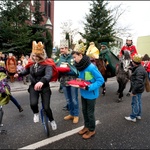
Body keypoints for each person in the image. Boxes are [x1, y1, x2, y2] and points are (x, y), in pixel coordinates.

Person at [14, 41, 57, 130]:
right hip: (34, 86)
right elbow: (26, 71)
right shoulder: (32, 64)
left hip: (44, 87)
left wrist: (42, 81)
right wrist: (19, 74)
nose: (35, 58)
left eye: (37, 56)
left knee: (46, 107)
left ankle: (52, 120)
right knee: (33, 104)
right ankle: (36, 113)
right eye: (34, 56)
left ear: (42, 56)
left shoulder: (47, 64)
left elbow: (48, 75)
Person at [71, 42, 104, 139]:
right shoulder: (81, 66)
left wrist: (89, 87)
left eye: (74, 57)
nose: (73, 59)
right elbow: (85, 78)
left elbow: (100, 80)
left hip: (91, 94)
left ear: (80, 55)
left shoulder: (91, 67)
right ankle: (86, 126)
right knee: (84, 111)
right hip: (83, 93)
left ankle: (92, 129)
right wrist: (79, 80)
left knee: (90, 113)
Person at [56, 39, 79, 123]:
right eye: (60, 48)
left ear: (67, 48)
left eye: (62, 48)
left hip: (73, 81)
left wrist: (67, 70)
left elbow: (76, 70)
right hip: (64, 81)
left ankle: (76, 115)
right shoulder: (60, 57)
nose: (61, 50)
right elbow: (57, 67)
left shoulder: (73, 56)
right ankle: (71, 114)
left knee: (74, 99)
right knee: (68, 99)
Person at [125, 54, 147, 122]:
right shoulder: (140, 67)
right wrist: (130, 68)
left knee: (134, 103)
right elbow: (137, 70)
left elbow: (138, 82)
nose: (132, 62)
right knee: (139, 102)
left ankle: (133, 117)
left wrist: (133, 92)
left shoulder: (139, 70)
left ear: (134, 62)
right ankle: (138, 115)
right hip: (140, 89)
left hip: (137, 89)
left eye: (133, 61)